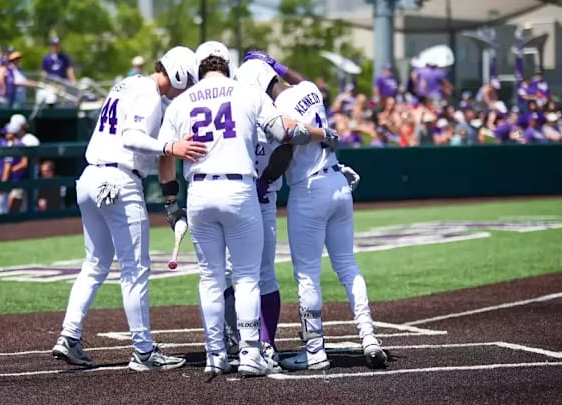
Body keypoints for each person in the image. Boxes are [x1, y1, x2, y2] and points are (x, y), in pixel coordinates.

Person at [156, 43, 338, 377]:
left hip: (199, 191)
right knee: (247, 277)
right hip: (239, 188)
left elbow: (165, 156)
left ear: (199, 67)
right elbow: (286, 132)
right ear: (227, 63)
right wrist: (320, 133)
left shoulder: (181, 103)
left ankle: (215, 356)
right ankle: (252, 353)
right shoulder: (246, 93)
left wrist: (171, 204)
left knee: (211, 279)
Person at [51, 45, 207, 372]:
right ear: (178, 73)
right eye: (187, 81)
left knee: (95, 264)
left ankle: (69, 335)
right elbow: (132, 137)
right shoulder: (150, 94)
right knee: (135, 269)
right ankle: (143, 350)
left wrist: (168, 197)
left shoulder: (126, 84)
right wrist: (170, 145)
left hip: (91, 176)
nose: (186, 89)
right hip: (120, 179)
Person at [240, 52, 387, 371]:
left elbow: (284, 151)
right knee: (348, 265)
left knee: (307, 274)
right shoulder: (308, 90)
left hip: (309, 190)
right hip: (338, 182)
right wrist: (276, 65)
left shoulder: (277, 108)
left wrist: (265, 180)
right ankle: (369, 336)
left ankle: (315, 349)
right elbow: (299, 77)